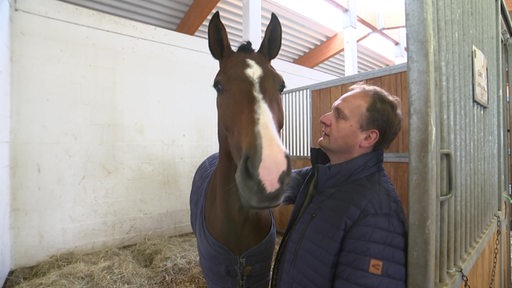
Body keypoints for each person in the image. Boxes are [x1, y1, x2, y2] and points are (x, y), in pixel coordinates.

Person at [271, 83, 407, 287]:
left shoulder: (378, 214)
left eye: (339, 116)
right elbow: (271, 185)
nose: (324, 119)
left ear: (368, 137)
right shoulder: (322, 176)